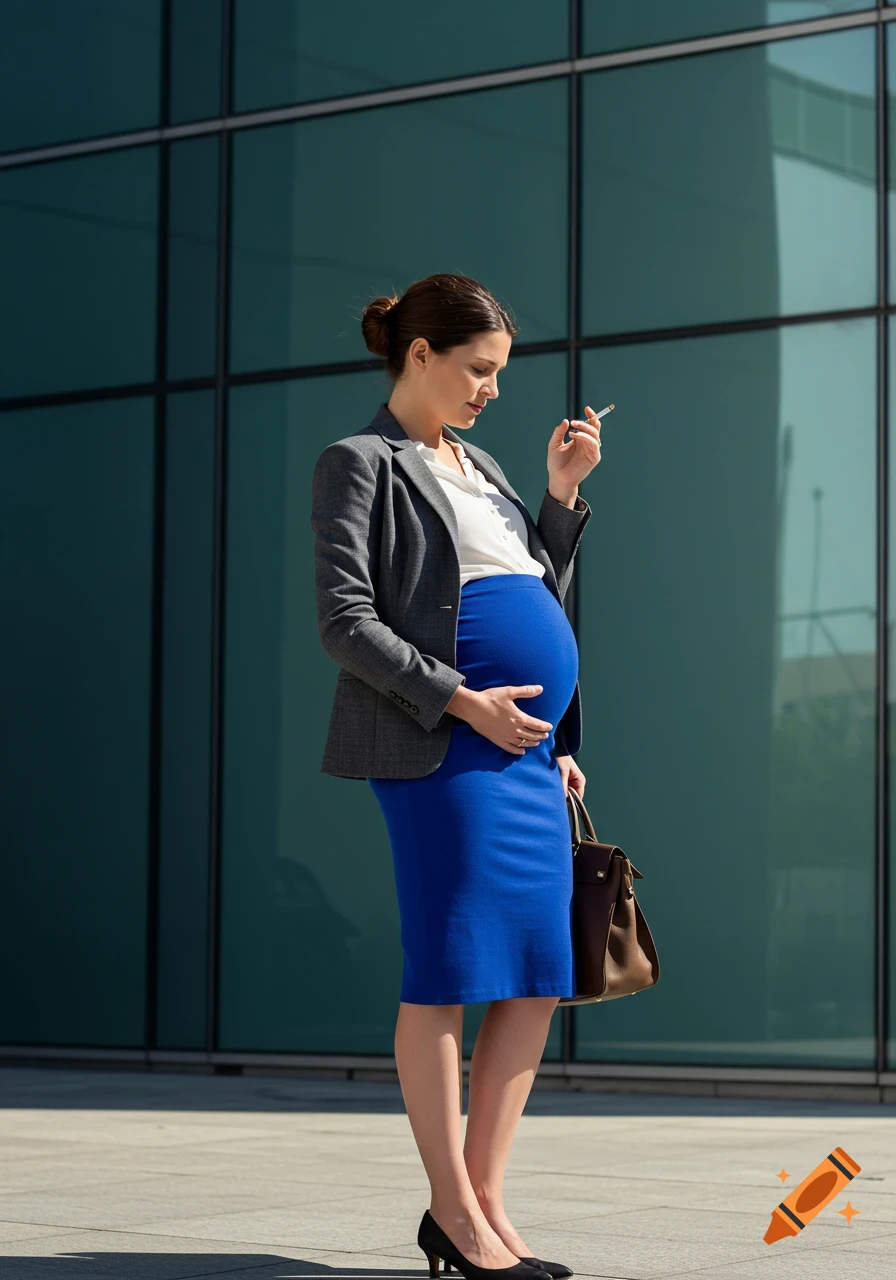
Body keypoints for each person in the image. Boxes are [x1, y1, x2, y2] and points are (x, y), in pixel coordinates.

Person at [310, 272, 602, 1280]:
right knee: (448, 966)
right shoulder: (360, 463)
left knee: (535, 972)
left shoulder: (479, 465)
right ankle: (451, 1204)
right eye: (477, 369)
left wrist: (557, 499)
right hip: (443, 745)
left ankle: (481, 1198)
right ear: (419, 353)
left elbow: (534, 594)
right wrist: (461, 698)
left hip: (522, 751)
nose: (488, 390)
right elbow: (345, 621)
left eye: (497, 374)